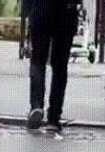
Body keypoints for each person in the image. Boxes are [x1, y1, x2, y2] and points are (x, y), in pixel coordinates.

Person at [24, 0, 81, 132]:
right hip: (66, 11)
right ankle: (54, 118)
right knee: (60, 65)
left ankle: (36, 105)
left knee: (38, 60)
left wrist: (28, 10)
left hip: (40, 7)